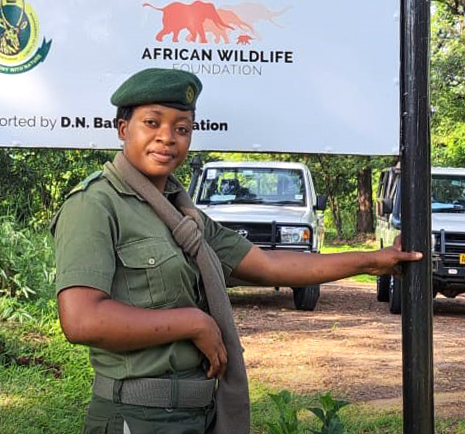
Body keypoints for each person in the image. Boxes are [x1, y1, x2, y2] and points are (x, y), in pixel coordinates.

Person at [51, 68, 422, 434]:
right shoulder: (95, 204)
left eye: (181, 129)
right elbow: (82, 319)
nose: (167, 138)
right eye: (152, 123)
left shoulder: (182, 214)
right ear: (122, 129)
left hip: (197, 414)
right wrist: (193, 322)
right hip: (136, 416)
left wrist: (374, 261)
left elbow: (269, 265)